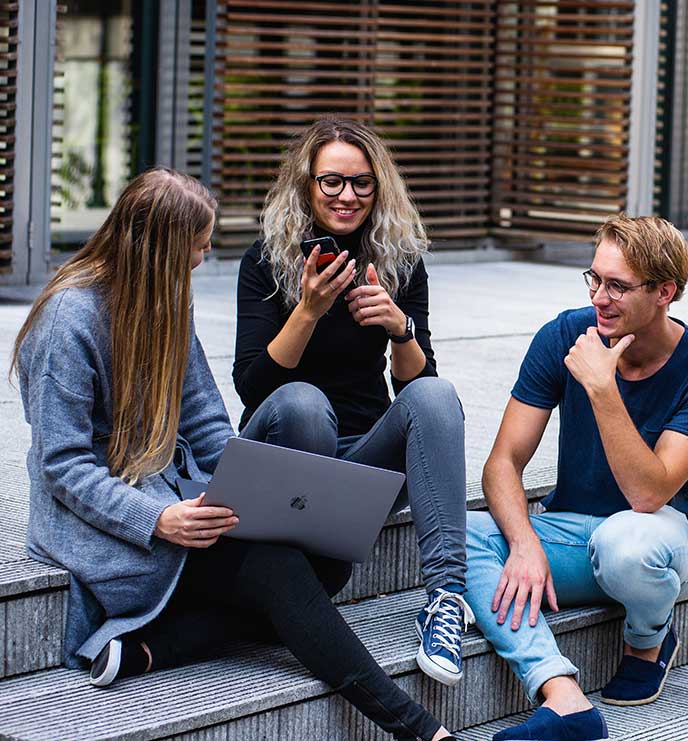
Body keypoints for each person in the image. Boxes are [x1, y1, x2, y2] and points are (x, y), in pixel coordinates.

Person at [13, 168, 457, 741]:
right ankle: (419, 729)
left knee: (328, 565)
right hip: (107, 524)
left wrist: (246, 487)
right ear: (159, 248)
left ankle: (158, 646)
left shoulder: (166, 299)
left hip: (176, 499)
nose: (202, 260)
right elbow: (63, 465)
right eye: (197, 248)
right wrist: (158, 519)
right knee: (279, 571)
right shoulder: (67, 320)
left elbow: (205, 422)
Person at [463, 215, 688, 741]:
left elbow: (649, 493)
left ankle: (648, 639)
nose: (599, 298)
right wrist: (523, 543)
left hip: (659, 539)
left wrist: (602, 387)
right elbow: (502, 462)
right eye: (594, 279)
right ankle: (562, 696)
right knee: (459, 532)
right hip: (573, 532)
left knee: (626, 542)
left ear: (664, 292)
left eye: (617, 286)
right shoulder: (564, 334)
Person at [233, 118, 472, 686]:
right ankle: (299, 574)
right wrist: (308, 310)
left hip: (361, 464)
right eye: (332, 181)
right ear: (307, 184)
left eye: (362, 183)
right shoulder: (266, 260)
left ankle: (446, 599)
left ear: (379, 187)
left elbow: (418, 390)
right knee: (303, 403)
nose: (348, 196)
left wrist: (399, 327)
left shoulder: (399, 261)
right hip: (286, 456)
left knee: (437, 395)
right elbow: (253, 387)